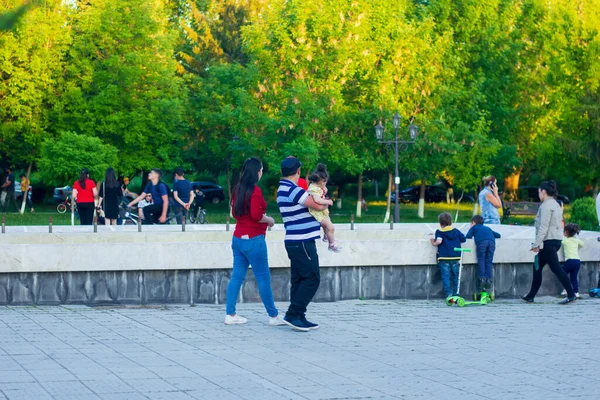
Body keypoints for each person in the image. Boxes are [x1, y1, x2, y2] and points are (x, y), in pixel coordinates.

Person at [224, 157, 284, 326]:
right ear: (257, 171)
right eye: (262, 170)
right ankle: (273, 316)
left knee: (236, 277)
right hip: (254, 241)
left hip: (238, 239)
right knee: (263, 278)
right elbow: (257, 216)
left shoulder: (237, 189)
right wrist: (270, 220)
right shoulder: (255, 191)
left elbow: (235, 214)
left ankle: (230, 314)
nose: (262, 173)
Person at [277, 156, 328, 332]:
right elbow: (317, 205)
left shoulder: (283, 188)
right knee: (312, 278)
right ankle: (293, 314)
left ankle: (299, 316)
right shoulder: (293, 189)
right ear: (298, 171)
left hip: (295, 240)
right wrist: (327, 200)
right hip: (302, 240)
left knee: (299, 279)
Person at [522, 181, 576, 305]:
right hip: (554, 240)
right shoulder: (556, 204)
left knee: (557, 269)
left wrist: (536, 244)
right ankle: (530, 296)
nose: (538, 194)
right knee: (537, 267)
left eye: (539, 192)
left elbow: (543, 226)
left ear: (543, 192)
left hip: (549, 242)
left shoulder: (546, 205)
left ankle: (571, 294)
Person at [430, 212, 467, 300]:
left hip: (444, 257)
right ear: (451, 222)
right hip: (455, 256)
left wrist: (433, 242)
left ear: (440, 223)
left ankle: (448, 294)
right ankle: (456, 293)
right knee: (455, 275)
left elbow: (439, 241)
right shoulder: (456, 231)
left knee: (445, 276)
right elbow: (463, 239)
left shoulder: (439, 232)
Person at [307, 164, 341, 252]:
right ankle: (332, 244)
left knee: (327, 226)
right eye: (324, 181)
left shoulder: (318, 186)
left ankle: (327, 236)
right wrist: (328, 201)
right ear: (319, 181)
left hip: (322, 211)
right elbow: (317, 200)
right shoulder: (313, 189)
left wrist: (324, 189)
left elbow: (322, 192)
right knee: (331, 227)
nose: (325, 183)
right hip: (317, 213)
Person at [466, 215, 501, 294]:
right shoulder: (487, 228)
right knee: (488, 261)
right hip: (491, 243)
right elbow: (498, 235)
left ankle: (481, 278)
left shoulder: (474, 228)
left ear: (473, 222)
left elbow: (468, 236)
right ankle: (488, 279)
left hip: (482, 243)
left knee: (481, 260)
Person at [560, 223, 583, 299]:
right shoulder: (576, 240)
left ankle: (567, 289)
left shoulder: (565, 241)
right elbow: (582, 244)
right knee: (573, 277)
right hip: (577, 261)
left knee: (562, 274)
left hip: (569, 261)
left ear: (566, 232)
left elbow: (560, 242)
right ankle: (576, 292)